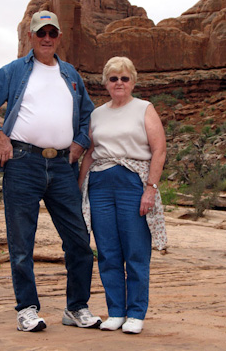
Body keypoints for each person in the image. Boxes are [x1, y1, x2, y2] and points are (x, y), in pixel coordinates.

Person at [0, 10, 102, 332]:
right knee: (21, 244)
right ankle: (27, 308)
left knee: (79, 241)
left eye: (52, 33)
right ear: (31, 36)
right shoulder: (16, 71)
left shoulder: (70, 74)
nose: (46, 39)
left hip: (61, 166)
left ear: (59, 37)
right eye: (41, 33)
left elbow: (88, 114)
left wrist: (80, 142)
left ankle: (76, 307)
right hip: (23, 163)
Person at [78, 56, 167, 334]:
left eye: (124, 78)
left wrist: (149, 189)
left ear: (133, 82)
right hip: (101, 184)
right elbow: (90, 153)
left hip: (133, 182)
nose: (119, 83)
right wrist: (79, 188)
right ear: (106, 82)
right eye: (113, 78)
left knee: (136, 250)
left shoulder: (144, 108)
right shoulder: (97, 113)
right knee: (107, 251)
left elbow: (159, 150)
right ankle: (116, 311)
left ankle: (136, 313)